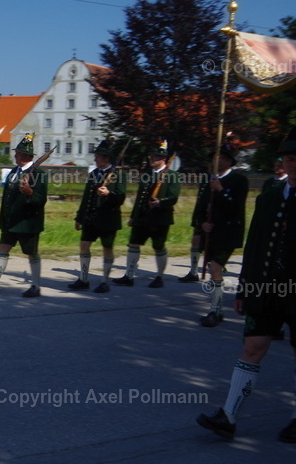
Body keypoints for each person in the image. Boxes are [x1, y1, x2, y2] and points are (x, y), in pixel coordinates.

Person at [196, 129, 296, 443]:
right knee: (252, 348)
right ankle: (228, 415)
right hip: (264, 290)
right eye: (289, 159)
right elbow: (254, 246)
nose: (292, 165)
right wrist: (245, 288)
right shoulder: (269, 197)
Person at [177, 148, 248, 326]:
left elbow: (236, 208)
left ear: (230, 161)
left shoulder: (239, 180)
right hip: (210, 234)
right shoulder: (207, 180)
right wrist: (202, 223)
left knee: (215, 267)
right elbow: (201, 207)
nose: (218, 162)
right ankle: (216, 307)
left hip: (228, 233)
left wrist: (221, 190)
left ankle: (215, 311)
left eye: (223, 158)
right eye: (215, 158)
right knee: (213, 268)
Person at [0, 133, 48, 297]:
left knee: (31, 253)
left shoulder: (39, 174)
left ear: (25, 155)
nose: (15, 155)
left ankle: (36, 286)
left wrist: (29, 192)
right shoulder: (14, 172)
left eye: (18, 152)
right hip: (10, 221)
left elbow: (41, 200)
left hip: (27, 221)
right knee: (2, 249)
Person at [113, 141, 180, 288]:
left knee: (158, 246)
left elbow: (173, 197)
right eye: (151, 156)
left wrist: (160, 202)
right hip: (142, 217)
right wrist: (133, 216)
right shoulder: (147, 174)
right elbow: (140, 198)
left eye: (155, 157)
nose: (151, 159)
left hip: (160, 218)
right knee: (133, 244)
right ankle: (129, 276)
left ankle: (159, 277)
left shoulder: (172, 176)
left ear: (162, 159)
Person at [67, 139, 126, 294]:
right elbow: (87, 198)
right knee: (84, 245)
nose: (95, 159)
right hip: (91, 218)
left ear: (106, 158)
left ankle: (105, 281)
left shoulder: (117, 174)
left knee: (107, 248)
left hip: (108, 219)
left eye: (98, 156)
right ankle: (84, 278)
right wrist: (79, 218)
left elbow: (120, 198)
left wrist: (108, 194)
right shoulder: (94, 174)